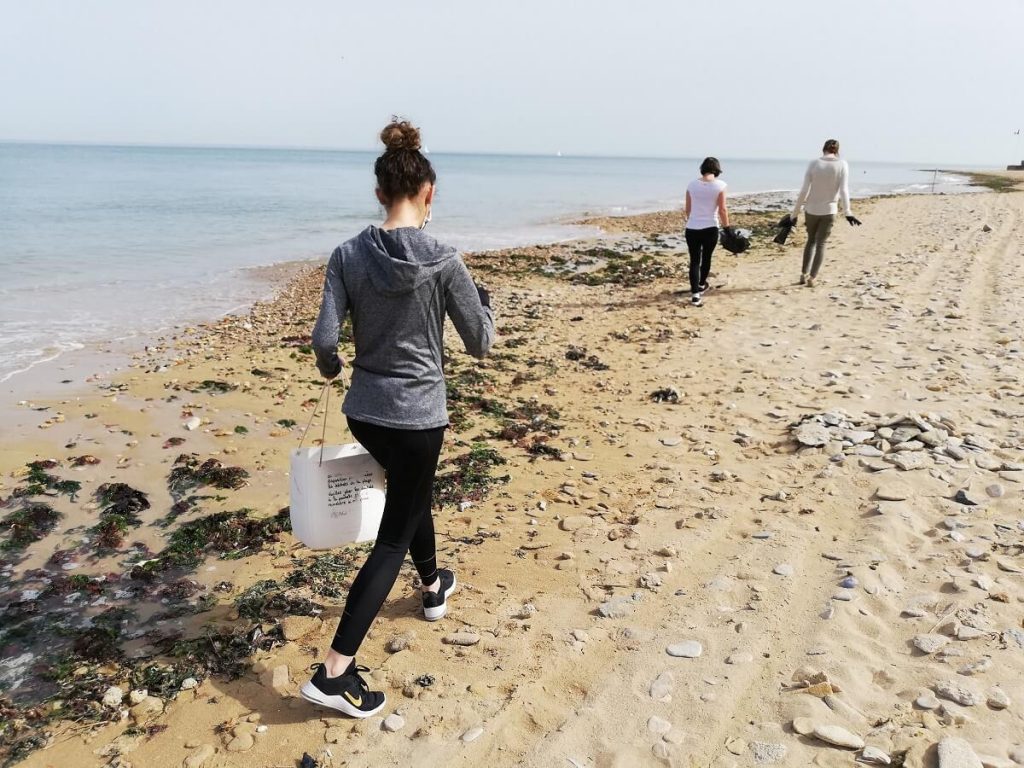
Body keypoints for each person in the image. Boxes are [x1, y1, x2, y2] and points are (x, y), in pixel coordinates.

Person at [303, 118, 494, 717]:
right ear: (429, 192)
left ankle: (434, 587)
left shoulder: (347, 254)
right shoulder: (444, 261)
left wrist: (333, 368)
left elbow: (324, 339)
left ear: (380, 193)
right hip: (418, 416)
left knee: (414, 498)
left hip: (365, 411)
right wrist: (486, 306)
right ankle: (335, 672)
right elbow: (481, 344)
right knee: (393, 535)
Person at [784, 139, 862, 287]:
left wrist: (794, 214)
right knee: (821, 244)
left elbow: (804, 190)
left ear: (823, 149)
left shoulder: (814, 163)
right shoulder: (842, 164)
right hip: (829, 210)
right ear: (837, 150)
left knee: (811, 241)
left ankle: (803, 274)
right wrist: (848, 212)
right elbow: (844, 190)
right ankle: (812, 278)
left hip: (811, 210)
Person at [684, 157, 730, 307]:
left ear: (702, 168)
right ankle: (702, 284)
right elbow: (722, 210)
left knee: (694, 261)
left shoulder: (691, 185)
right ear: (717, 169)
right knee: (707, 258)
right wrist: (727, 227)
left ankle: (695, 295)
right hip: (711, 227)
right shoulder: (721, 185)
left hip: (692, 228)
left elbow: (688, 210)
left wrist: (694, 220)